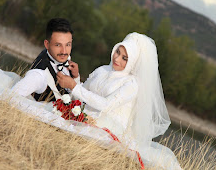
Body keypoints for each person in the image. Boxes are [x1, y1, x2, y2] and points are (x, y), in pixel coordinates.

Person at [57, 32, 182, 169]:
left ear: (132, 62)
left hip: (110, 126)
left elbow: (106, 105)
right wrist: (75, 78)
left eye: (124, 58)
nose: (117, 58)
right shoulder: (102, 70)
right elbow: (80, 95)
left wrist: (74, 86)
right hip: (86, 115)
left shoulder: (132, 83)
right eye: (117, 52)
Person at [11, 18, 80, 102]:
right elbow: (11, 97)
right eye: (58, 45)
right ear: (47, 44)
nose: (64, 51)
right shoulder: (38, 75)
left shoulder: (63, 57)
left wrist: (76, 77)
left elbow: (75, 97)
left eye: (68, 45)